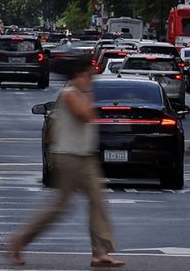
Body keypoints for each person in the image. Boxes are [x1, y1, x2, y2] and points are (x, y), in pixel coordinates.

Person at [7, 61, 122, 267]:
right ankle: (20, 239)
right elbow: (85, 115)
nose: (91, 79)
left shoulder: (80, 92)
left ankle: (100, 252)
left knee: (97, 201)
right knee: (60, 206)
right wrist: (89, 94)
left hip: (85, 156)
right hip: (69, 157)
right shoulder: (70, 93)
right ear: (79, 75)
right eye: (89, 75)